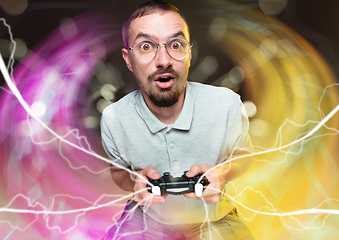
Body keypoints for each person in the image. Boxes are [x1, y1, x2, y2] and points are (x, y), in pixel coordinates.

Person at [100, 0, 255, 239]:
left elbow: (244, 155)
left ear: (189, 53)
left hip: (215, 221)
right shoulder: (114, 117)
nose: (163, 60)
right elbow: (118, 171)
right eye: (145, 46)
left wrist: (222, 173)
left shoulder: (227, 104)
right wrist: (134, 181)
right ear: (128, 59)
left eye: (175, 44)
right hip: (146, 222)